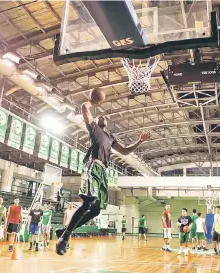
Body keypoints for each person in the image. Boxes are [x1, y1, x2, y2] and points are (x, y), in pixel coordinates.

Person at [56, 91, 151, 255]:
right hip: (93, 165)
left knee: (97, 209)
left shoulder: (110, 137)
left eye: (104, 117)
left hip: (103, 172)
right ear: (97, 121)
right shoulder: (93, 128)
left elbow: (126, 151)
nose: (102, 117)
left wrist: (140, 141)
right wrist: (92, 101)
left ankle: (65, 231)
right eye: (99, 116)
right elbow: (84, 108)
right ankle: (65, 238)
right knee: (87, 202)